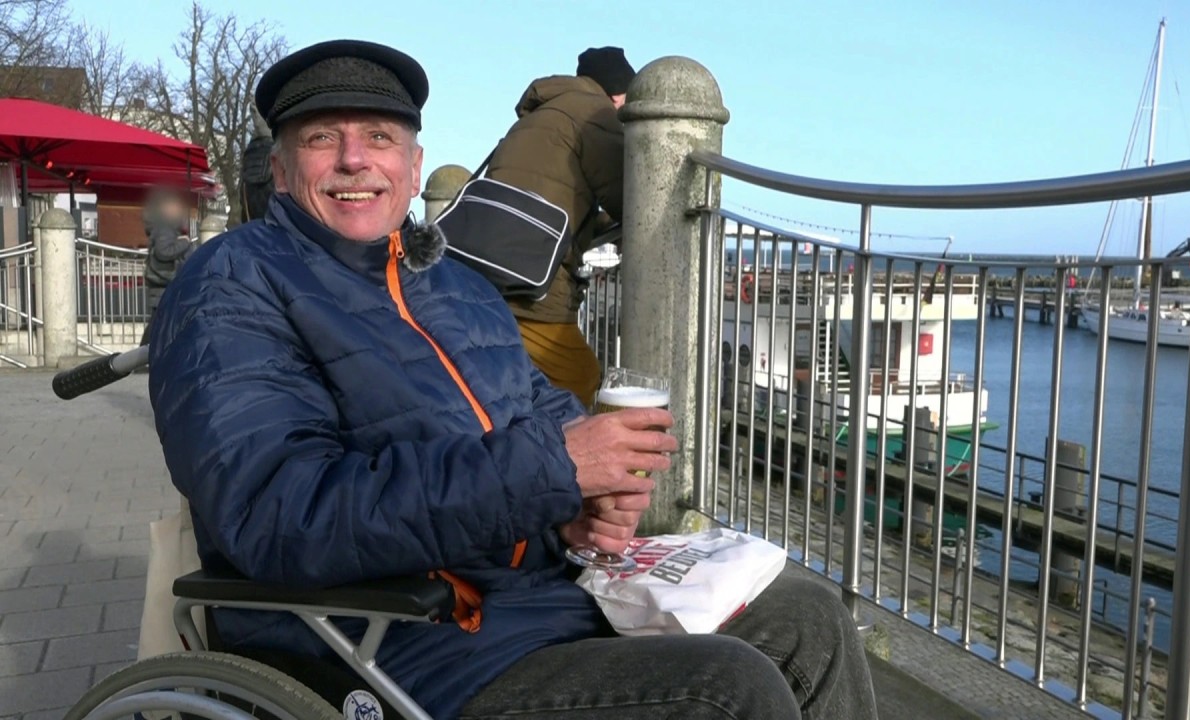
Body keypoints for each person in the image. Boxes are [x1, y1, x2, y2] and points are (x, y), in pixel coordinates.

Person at [146, 39, 878, 720]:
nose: (353, 160)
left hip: (534, 603)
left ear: (412, 161)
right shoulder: (231, 286)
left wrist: (576, 506)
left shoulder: (454, 286)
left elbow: (539, 415)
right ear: (279, 170)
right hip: (394, 643)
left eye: (379, 138)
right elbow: (284, 515)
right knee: (727, 690)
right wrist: (554, 470)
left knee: (810, 621)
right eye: (319, 139)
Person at [483, 46, 633, 408]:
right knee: (579, 378)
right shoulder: (596, 115)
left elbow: (550, 194)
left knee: (508, 382)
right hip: (533, 283)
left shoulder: (540, 116)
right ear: (617, 94)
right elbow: (632, 201)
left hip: (488, 269)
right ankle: (571, 462)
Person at [139, 187, 193, 346]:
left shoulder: (167, 228)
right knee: (158, 323)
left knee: (160, 323)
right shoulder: (165, 229)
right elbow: (164, 252)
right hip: (164, 282)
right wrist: (184, 243)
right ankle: (140, 358)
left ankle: (144, 357)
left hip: (164, 283)